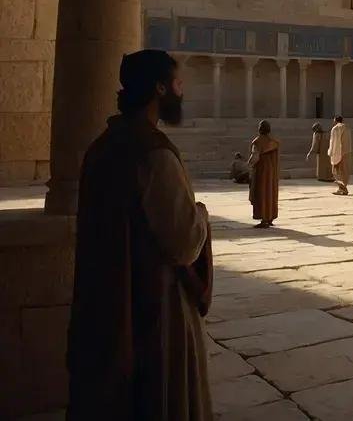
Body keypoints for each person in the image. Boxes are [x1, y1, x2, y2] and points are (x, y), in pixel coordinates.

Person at [68, 49, 213, 420]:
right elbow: (183, 243)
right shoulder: (153, 152)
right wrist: (201, 214)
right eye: (177, 83)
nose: (182, 91)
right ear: (159, 88)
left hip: (108, 302)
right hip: (153, 308)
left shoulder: (101, 147)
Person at [248, 120, 280, 228]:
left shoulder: (257, 142)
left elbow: (255, 157)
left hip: (261, 172)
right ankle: (270, 217)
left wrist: (249, 164)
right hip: (272, 173)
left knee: (261, 194)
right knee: (270, 194)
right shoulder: (274, 142)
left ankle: (264, 219)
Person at [328, 115, 352, 195]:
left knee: (335, 171)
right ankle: (342, 188)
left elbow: (334, 142)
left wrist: (331, 152)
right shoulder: (347, 128)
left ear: (335, 120)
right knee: (344, 171)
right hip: (347, 151)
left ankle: (343, 189)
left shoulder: (335, 128)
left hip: (339, 152)